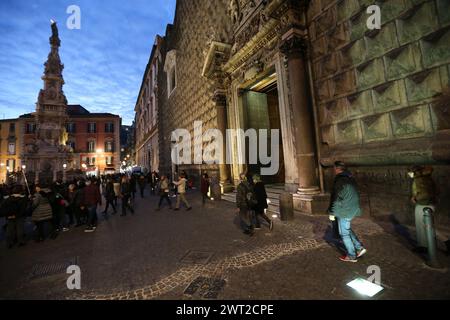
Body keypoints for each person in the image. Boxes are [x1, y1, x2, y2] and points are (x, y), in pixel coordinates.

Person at [328, 161, 366, 263]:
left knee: (344, 234)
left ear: (337, 169)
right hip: (352, 208)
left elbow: (336, 198)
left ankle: (352, 255)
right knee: (346, 229)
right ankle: (359, 248)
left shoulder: (340, 180)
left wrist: (332, 212)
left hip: (344, 210)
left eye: (334, 168)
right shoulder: (350, 178)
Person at [408, 165, 438, 253]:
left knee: (421, 226)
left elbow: (425, 193)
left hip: (423, 205)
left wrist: (415, 198)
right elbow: (436, 191)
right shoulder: (428, 178)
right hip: (430, 204)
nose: (409, 174)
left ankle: (423, 247)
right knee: (428, 226)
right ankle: (429, 246)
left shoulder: (418, 179)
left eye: (410, 172)